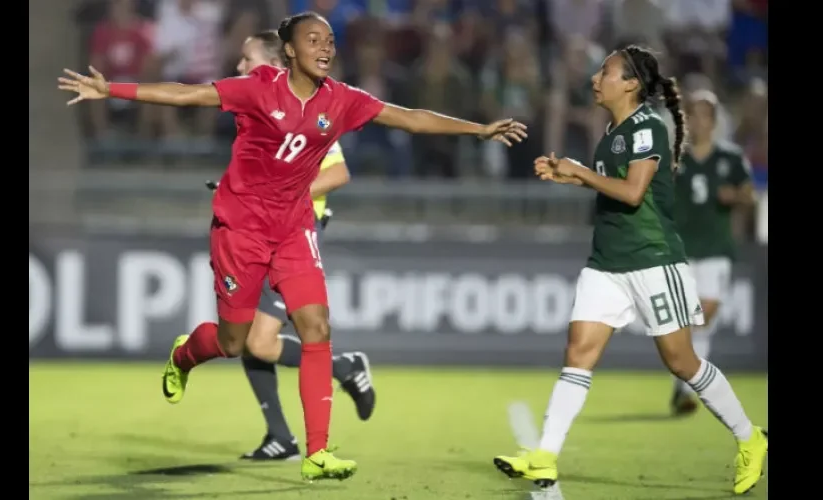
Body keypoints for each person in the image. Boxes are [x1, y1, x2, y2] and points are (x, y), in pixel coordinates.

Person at [59, 11, 526, 482]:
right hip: (240, 229)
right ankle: (185, 354)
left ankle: (317, 451)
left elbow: (408, 119)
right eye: (313, 40)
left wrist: (478, 129)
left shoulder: (341, 100)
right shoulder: (260, 87)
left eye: (329, 40)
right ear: (289, 51)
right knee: (234, 341)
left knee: (317, 327)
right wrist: (111, 89)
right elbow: (188, 94)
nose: (325, 48)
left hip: (294, 229)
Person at [491, 45, 767, 496]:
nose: (597, 78)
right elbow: (613, 190)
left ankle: (749, 437)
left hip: (651, 258)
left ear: (632, 84)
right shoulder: (612, 131)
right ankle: (544, 454)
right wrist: (573, 176)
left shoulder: (647, 127)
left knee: (682, 361)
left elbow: (635, 192)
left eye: (606, 71)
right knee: (578, 350)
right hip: (608, 262)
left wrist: (581, 171)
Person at [213, 32, 375, 461]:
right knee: (248, 334)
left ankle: (344, 367)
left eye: (246, 60)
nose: (240, 68)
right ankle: (279, 437)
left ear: (272, 63)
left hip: (293, 234)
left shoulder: (310, 106)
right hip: (261, 227)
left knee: (261, 343)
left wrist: (286, 192)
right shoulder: (265, 108)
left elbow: (338, 174)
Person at [669, 90, 755, 416]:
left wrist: (734, 195)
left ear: (714, 121)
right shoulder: (676, 159)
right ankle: (687, 386)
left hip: (717, 247)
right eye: (693, 115)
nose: (699, 121)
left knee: (705, 315)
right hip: (683, 248)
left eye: (706, 115)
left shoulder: (730, 158)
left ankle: (684, 384)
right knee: (688, 319)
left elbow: (749, 196)